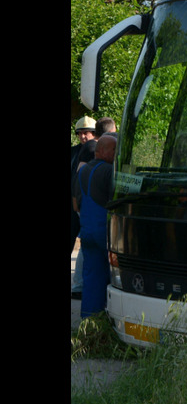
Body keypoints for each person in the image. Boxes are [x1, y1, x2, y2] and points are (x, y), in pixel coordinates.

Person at [73, 134, 117, 317]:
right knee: (111, 278)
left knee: (90, 277)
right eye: (115, 150)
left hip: (87, 231)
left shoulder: (82, 171)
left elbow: (75, 204)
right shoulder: (109, 172)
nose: (117, 153)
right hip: (104, 233)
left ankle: (89, 319)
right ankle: (106, 319)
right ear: (104, 151)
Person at [70, 116, 96, 298]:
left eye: (86, 132)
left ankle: (80, 285)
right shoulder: (73, 152)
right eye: (80, 133)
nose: (83, 136)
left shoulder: (98, 151)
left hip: (88, 205)